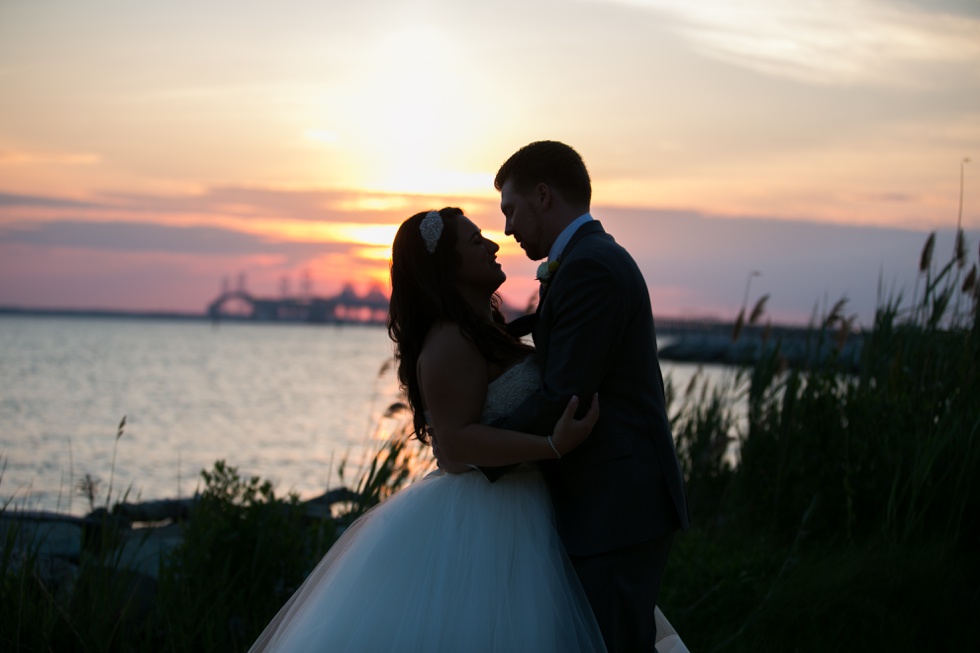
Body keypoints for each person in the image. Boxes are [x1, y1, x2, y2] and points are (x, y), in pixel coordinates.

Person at [249, 207, 618, 652]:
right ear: (447, 266)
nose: (493, 244)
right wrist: (552, 445)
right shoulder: (450, 340)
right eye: (475, 241)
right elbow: (456, 442)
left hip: (524, 506)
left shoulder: (481, 331)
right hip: (488, 519)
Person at [446, 140, 691, 652]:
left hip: (616, 505)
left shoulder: (590, 267)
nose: (507, 228)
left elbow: (565, 394)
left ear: (542, 196)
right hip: (611, 501)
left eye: (510, 209)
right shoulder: (584, 261)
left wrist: (474, 449)